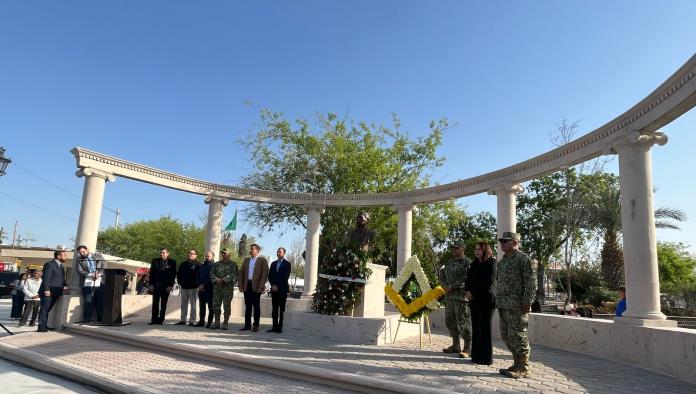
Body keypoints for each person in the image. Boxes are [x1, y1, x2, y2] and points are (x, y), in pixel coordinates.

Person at [496, 232, 537, 379]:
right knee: (507, 336)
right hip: (503, 305)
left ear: (515, 242)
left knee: (519, 336)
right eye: (501, 241)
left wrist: (527, 302)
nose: (502, 244)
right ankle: (516, 364)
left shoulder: (524, 259)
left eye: (505, 241)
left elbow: (531, 284)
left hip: (517, 305)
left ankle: (524, 367)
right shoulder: (502, 262)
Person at [464, 241, 497, 365]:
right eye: (476, 249)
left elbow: (489, 282)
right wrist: (467, 291)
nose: (476, 251)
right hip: (474, 300)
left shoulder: (492, 263)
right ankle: (476, 356)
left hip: (487, 300)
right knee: (476, 327)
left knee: (485, 328)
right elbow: (468, 280)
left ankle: (486, 358)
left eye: (479, 249)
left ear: (485, 250)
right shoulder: (474, 263)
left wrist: (474, 293)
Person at [440, 241, 472, 358]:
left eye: (456, 248)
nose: (453, 250)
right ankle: (455, 345)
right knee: (450, 322)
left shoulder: (468, 263)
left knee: (463, 323)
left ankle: (468, 348)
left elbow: (470, 281)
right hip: (449, 298)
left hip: (461, 298)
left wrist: (454, 287)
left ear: (463, 249)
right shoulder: (448, 263)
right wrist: (444, 286)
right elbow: (442, 277)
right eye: (452, 248)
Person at [37, 249, 69, 332]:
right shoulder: (50, 264)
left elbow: (62, 278)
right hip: (48, 291)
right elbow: (46, 278)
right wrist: (46, 289)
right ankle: (41, 326)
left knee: (48, 309)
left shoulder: (61, 266)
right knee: (44, 309)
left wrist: (65, 285)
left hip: (56, 291)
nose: (66, 257)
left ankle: (44, 325)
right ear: (58, 256)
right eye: (64, 255)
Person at [239, 244, 269, 332]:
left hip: (256, 286)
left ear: (257, 250)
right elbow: (241, 273)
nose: (250, 250)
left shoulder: (262, 260)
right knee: (247, 306)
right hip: (247, 285)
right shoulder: (246, 260)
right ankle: (247, 325)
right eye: (250, 249)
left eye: (252, 249)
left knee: (256, 306)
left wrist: (261, 286)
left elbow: (264, 274)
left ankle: (256, 325)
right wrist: (241, 285)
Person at [75, 245, 107, 323]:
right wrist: (90, 274)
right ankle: (87, 319)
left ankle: (100, 318)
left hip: (99, 281)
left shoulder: (97, 255)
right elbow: (80, 271)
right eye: (80, 253)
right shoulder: (79, 259)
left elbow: (104, 265)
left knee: (99, 300)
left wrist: (100, 273)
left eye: (83, 251)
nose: (82, 254)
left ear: (87, 249)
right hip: (87, 282)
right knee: (88, 301)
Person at [210, 249, 238, 330]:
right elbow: (211, 273)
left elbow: (234, 274)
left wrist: (224, 280)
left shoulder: (233, 264)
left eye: (225, 253)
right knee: (216, 306)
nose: (223, 254)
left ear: (229, 254)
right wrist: (216, 280)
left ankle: (225, 323)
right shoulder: (216, 264)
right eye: (222, 253)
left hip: (227, 288)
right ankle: (217, 323)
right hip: (217, 288)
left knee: (226, 306)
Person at [148, 248, 176, 325]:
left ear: (167, 254)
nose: (162, 254)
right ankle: (154, 319)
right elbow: (151, 274)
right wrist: (150, 284)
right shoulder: (155, 261)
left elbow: (173, 275)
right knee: (155, 303)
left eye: (163, 253)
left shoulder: (172, 262)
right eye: (161, 253)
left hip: (166, 287)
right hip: (156, 286)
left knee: (163, 304)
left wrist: (170, 285)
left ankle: (161, 320)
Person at [267, 247, 291, 333]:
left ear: (284, 253)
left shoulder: (287, 264)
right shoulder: (273, 264)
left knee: (281, 310)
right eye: (277, 251)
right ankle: (274, 326)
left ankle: (279, 327)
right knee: (274, 309)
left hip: (282, 290)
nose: (278, 253)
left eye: (280, 252)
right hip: (274, 290)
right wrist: (273, 285)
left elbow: (285, 277)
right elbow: (270, 276)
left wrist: (277, 286)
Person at [175, 249, 200, 326]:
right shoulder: (183, 264)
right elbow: (179, 274)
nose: (190, 255)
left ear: (196, 255)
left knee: (193, 305)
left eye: (192, 253)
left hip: (193, 287)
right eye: (189, 253)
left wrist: (198, 284)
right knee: (183, 304)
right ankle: (183, 320)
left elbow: (199, 276)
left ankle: (192, 320)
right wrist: (179, 283)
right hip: (184, 287)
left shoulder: (198, 264)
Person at [195, 251, 215, 327]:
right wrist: (199, 285)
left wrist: (204, 285)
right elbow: (197, 276)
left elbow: (211, 278)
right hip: (201, 290)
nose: (206, 257)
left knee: (210, 307)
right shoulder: (202, 266)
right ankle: (201, 321)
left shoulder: (214, 266)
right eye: (206, 256)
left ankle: (209, 322)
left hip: (209, 290)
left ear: (212, 257)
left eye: (208, 256)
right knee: (202, 307)